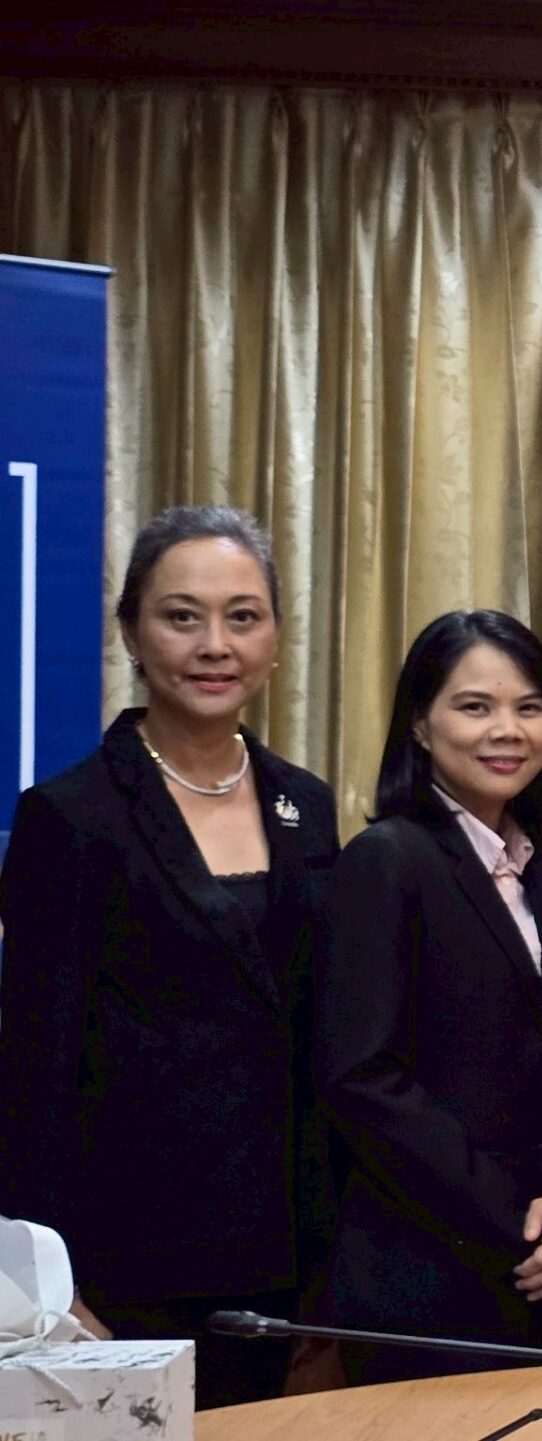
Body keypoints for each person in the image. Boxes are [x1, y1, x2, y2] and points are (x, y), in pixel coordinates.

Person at [0, 507, 339, 1406]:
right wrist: (47, 1282)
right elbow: (33, 1068)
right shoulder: (68, 816)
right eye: (182, 616)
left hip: (283, 1249)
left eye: (243, 616)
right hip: (125, 1255)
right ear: (130, 632)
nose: (214, 644)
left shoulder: (306, 805)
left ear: (275, 638)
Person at [314, 611, 542, 1381]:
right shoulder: (386, 859)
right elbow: (361, 1077)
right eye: (475, 706)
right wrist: (513, 1215)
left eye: (529, 707)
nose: (507, 730)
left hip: (538, 1269)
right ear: (420, 723)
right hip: (418, 1271)